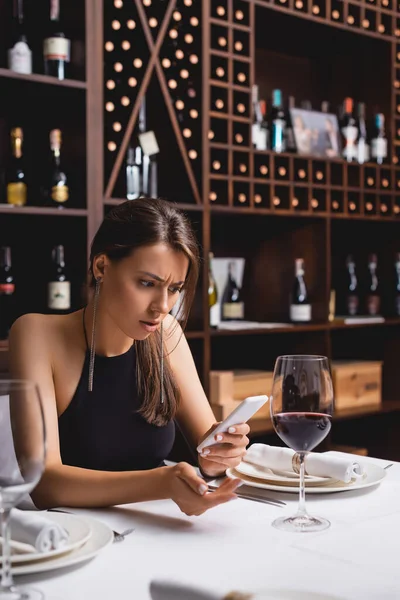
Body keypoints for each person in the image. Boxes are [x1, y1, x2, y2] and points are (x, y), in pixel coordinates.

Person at [9, 198, 248, 516]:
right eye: (147, 283)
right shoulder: (35, 335)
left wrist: (220, 456)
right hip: (74, 539)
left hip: (153, 526)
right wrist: (161, 483)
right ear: (101, 267)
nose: (162, 306)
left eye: (175, 288)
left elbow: (209, 453)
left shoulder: (167, 334)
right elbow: (44, 485)